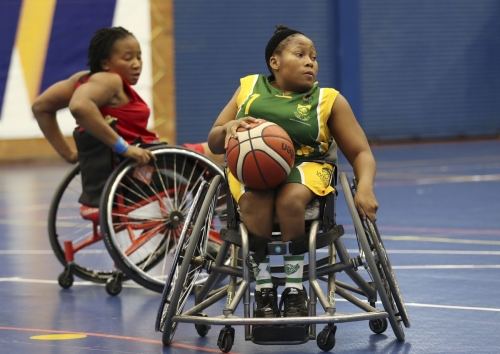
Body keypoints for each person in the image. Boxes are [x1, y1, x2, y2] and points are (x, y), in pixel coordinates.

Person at [207, 25, 378, 319]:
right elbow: (213, 140)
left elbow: (361, 152)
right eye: (300, 54)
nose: (310, 61)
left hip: (307, 166)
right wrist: (227, 128)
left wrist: (365, 187)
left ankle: (294, 285)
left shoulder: (328, 99)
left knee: (289, 201)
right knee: (252, 201)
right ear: (275, 62)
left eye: (313, 56)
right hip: (252, 168)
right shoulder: (248, 89)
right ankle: (263, 287)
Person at [32, 26, 223, 212]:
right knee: (227, 152)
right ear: (106, 63)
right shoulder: (110, 80)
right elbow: (79, 106)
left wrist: (69, 154)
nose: (136, 63)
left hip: (128, 170)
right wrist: (124, 147)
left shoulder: (82, 80)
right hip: (143, 168)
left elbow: (40, 107)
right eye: (128, 58)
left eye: (139, 57)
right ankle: (225, 226)